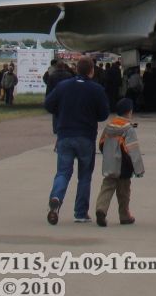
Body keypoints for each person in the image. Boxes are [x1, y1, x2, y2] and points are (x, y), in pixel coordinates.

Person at [44, 57, 110, 225]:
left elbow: (49, 104)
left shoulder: (63, 86)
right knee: (84, 176)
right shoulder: (96, 89)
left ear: (76, 69)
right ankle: (80, 212)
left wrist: (62, 111)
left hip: (65, 134)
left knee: (63, 172)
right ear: (91, 71)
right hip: (86, 136)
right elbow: (103, 114)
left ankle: (56, 197)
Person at [95, 98, 144, 227]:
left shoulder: (109, 126)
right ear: (129, 112)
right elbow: (133, 150)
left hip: (110, 164)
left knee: (107, 187)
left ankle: (101, 209)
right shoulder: (128, 129)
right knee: (124, 192)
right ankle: (124, 215)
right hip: (124, 165)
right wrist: (138, 169)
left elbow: (101, 144)